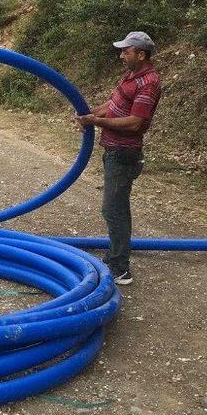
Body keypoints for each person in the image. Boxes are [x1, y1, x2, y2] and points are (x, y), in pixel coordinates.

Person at [76, 31, 162, 286]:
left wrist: (97, 121)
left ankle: (120, 268)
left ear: (141, 54)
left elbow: (136, 122)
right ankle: (114, 259)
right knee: (114, 208)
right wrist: (89, 115)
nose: (122, 54)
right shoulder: (131, 76)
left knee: (115, 210)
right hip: (113, 149)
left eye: (126, 51)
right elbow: (113, 104)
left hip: (125, 153)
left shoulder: (149, 82)